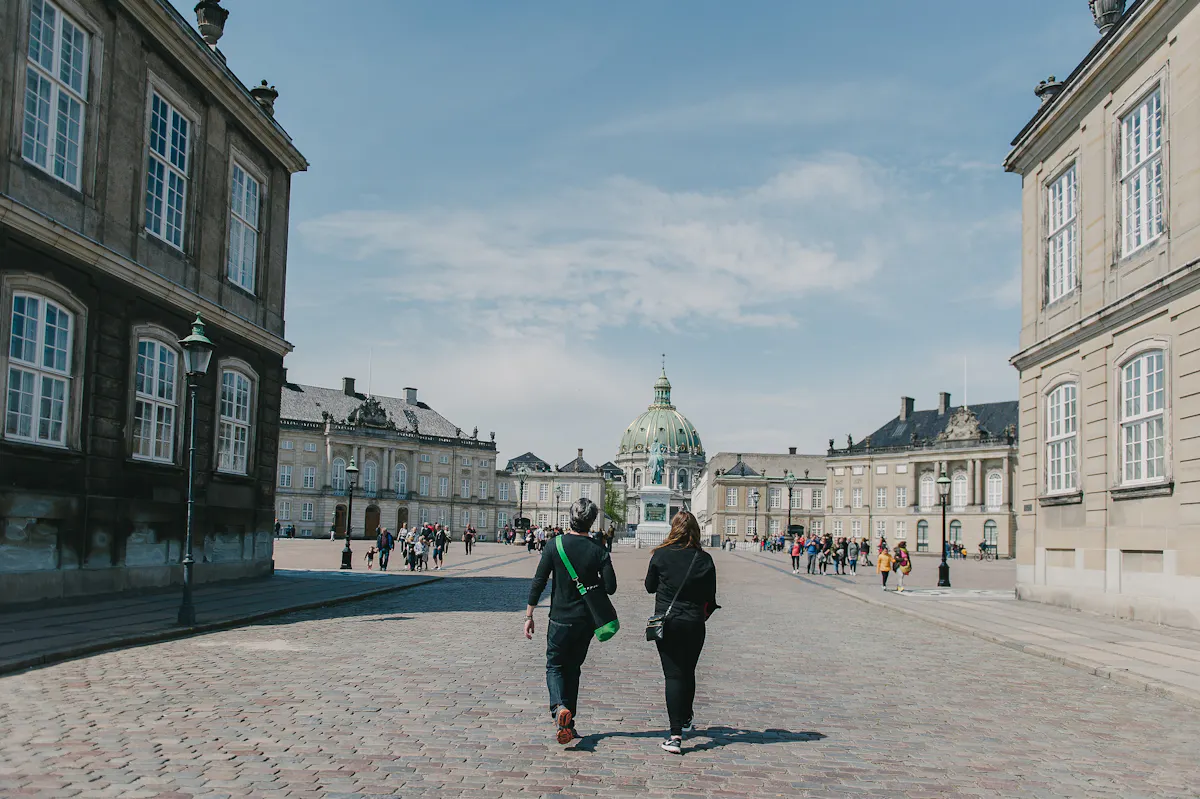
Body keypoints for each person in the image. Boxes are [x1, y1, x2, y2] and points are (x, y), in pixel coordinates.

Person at [524, 498, 616, 745]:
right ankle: (569, 724)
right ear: (592, 520)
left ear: (570, 517)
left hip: (560, 618)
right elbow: (611, 587)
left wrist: (529, 614)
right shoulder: (598, 549)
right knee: (573, 669)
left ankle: (559, 710)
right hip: (586, 621)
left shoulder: (555, 545)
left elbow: (539, 581)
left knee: (555, 666)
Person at [645, 511, 717, 755]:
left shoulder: (661, 555)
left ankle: (675, 735)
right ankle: (685, 717)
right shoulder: (704, 559)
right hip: (694, 622)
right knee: (688, 671)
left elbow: (649, 587)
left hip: (668, 622)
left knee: (674, 675)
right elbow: (710, 597)